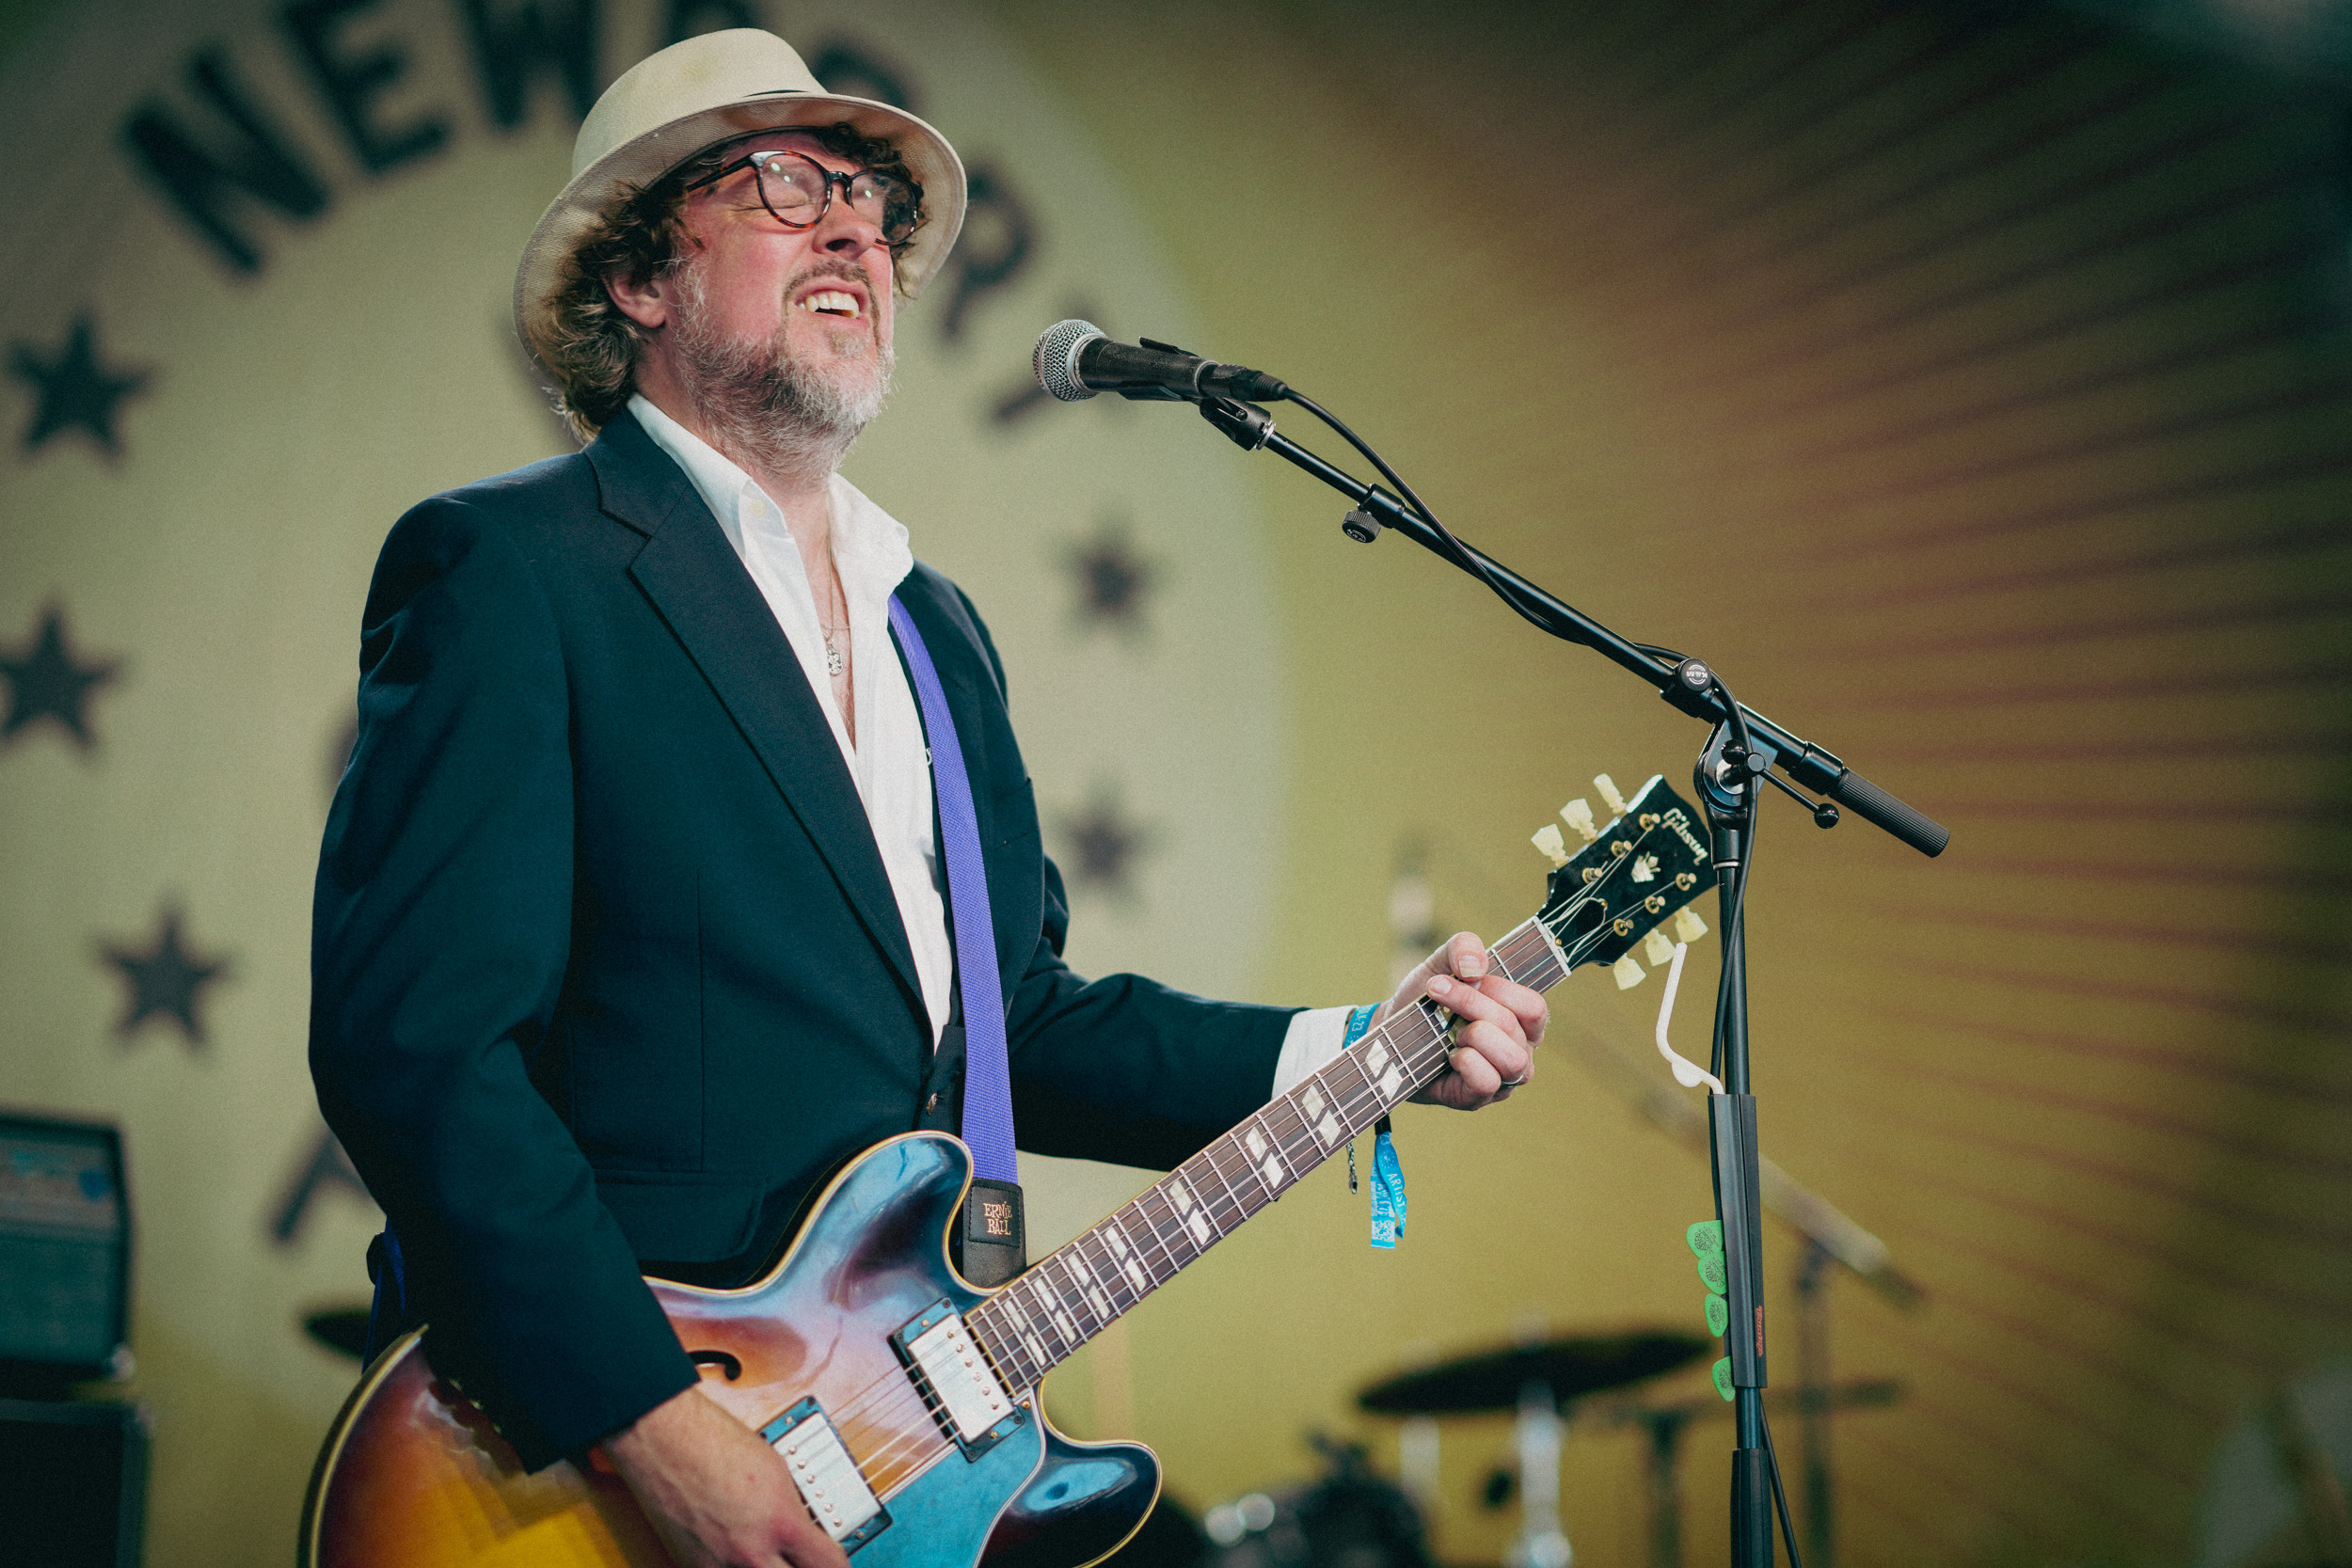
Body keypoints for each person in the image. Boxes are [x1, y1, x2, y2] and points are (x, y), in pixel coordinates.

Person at [308, 28, 1547, 1568]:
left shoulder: (932, 630)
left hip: (879, 1481)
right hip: (577, 1474)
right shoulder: (513, 568)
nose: (853, 231)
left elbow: (1013, 1027)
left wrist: (1363, 1050)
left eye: (872, 206)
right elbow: (414, 1050)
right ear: (637, 278)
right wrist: (645, 1419)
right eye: (781, 186)